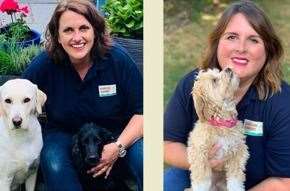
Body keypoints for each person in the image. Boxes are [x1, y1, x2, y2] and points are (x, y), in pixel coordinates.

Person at [164, 1, 290, 191]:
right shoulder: (196, 84)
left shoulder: (281, 102)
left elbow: (284, 181)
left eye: (253, 40)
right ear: (217, 43)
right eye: (232, 37)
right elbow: (166, 144)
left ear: (268, 50)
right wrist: (205, 161)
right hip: (198, 175)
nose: (241, 48)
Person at [22, 0, 143, 191]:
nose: (77, 37)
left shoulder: (118, 60)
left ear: (95, 30)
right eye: (68, 30)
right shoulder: (45, 65)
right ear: (57, 36)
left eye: (84, 28)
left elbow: (143, 112)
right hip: (63, 134)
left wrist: (118, 146)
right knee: (54, 162)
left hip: (116, 134)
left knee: (145, 157)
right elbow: (13, 97)